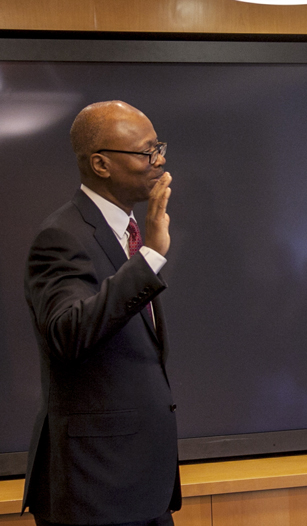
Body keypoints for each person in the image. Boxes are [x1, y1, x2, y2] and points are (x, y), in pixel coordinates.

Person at [22, 101, 181, 526]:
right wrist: (149, 259)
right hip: (95, 491)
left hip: (144, 487)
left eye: (159, 147)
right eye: (146, 152)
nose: (160, 161)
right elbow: (67, 333)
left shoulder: (129, 231)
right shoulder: (62, 235)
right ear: (101, 164)